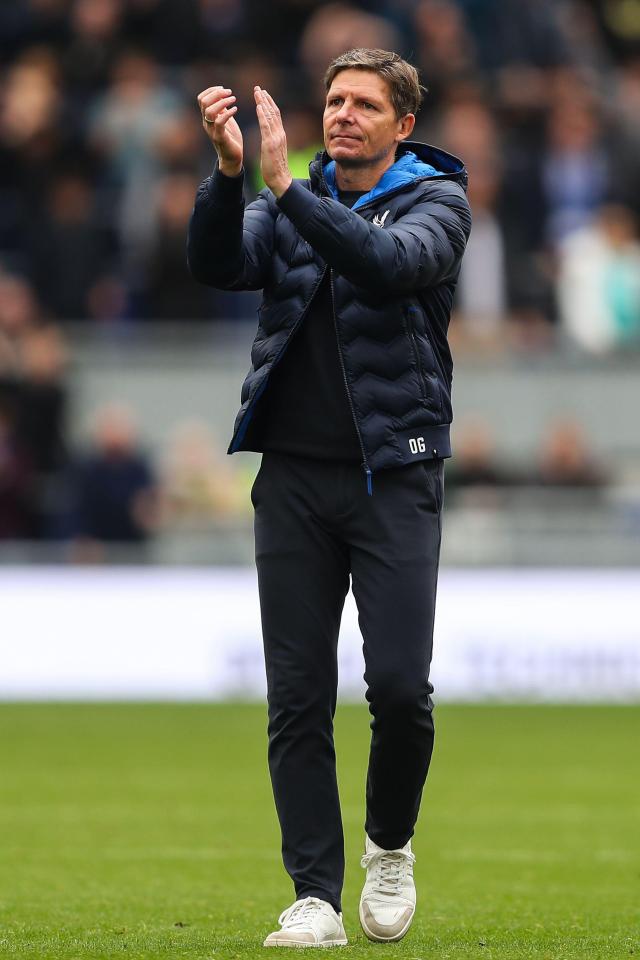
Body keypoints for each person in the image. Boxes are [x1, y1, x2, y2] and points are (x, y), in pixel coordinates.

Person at [188, 48, 471, 948]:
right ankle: (313, 895)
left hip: (394, 475)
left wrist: (287, 188)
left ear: (403, 124)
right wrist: (231, 177)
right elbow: (218, 265)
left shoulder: (440, 203)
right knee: (298, 695)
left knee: (398, 687)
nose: (342, 114)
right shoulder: (285, 200)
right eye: (334, 100)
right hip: (295, 483)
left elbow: (387, 264)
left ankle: (389, 844)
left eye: (364, 104)